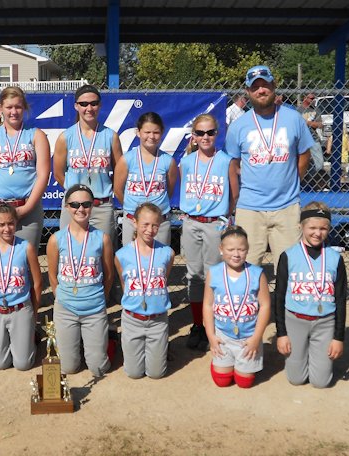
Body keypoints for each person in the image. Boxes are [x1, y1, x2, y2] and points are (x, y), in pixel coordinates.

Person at [225, 65, 315, 268]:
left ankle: (284, 302)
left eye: (265, 85)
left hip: (287, 206)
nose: (261, 91)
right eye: (255, 87)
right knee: (243, 267)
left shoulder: (293, 119)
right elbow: (232, 163)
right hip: (250, 208)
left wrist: (293, 181)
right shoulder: (239, 126)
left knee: (290, 268)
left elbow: (304, 154)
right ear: (248, 92)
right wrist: (236, 198)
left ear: (274, 86)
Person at [179, 113, 238, 350]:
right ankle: (197, 325)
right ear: (193, 136)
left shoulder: (226, 161)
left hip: (215, 223)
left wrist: (226, 217)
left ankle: (212, 324)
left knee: (213, 274)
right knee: (194, 275)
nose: (206, 137)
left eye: (210, 132)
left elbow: (234, 193)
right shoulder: (186, 162)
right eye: (200, 133)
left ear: (217, 134)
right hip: (192, 221)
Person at [274, 202, 346, 388]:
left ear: (329, 229)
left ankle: (316, 354)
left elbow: (340, 299)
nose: (317, 233)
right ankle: (302, 352)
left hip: (325, 322)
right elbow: (279, 296)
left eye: (323, 228)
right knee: (296, 379)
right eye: (312, 227)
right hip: (295, 320)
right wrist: (281, 334)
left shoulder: (335, 258)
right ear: (301, 226)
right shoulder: (288, 256)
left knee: (321, 382)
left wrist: (338, 338)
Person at [46, 184, 113, 377]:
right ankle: (81, 343)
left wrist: (100, 297)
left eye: (86, 204)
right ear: (67, 207)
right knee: (69, 368)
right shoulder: (56, 240)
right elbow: (52, 275)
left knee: (98, 368)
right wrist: (61, 298)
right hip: (66, 308)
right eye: (75, 204)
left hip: (94, 309)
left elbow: (108, 276)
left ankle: (107, 341)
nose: (80, 209)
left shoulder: (102, 239)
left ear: (92, 207)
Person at [0, 86, 50, 250]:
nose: (13, 111)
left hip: (28, 209)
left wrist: (26, 208)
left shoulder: (37, 135)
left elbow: (43, 175)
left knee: (25, 262)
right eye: (9, 107)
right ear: (1, 108)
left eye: (18, 106)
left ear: (24, 108)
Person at [203, 225, 271, 388]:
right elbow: (207, 304)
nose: (236, 254)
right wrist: (211, 336)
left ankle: (243, 364)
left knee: (244, 383)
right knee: (222, 381)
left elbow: (265, 305)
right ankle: (224, 363)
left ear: (247, 250)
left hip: (248, 336)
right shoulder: (214, 272)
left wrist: (256, 338)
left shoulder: (257, 273)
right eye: (230, 249)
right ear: (221, 249)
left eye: (241, 249)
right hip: (223, 335)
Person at [0, 202, 42, 370]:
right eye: (1, 224)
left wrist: (33, 312)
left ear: (16, 222)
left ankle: (30, 338)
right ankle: (18, 340)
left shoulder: (25, 247)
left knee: (23, 364)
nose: (7, 229)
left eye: (11, 223)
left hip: (20, 308)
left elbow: (37, 282)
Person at [53, 85, 123, 237]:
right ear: (76, 106)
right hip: (74, 207)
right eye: (83, 104)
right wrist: (76, 195)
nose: (89, 108)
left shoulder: (111, 136)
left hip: (101, 206)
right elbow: (58, 174)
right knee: (71, 252)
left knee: (103, 255)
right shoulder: (66, 137)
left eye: (94, 103)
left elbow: (120, 172)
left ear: (100, 105)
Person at [114, 203, 174, 379]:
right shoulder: (122, 255)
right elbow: (124, 284)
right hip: (133, 320)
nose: (150, 229)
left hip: (158, 321)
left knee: (156, 373)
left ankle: (160, 347)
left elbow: (163, 280)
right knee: (134, 373)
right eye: (145, 224)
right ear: (135, 223)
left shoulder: (167, 253)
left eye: (155, 225)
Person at [114, 112, 177, 246]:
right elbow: (118, 190)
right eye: (147, 132)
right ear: (138, 132)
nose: (151, 136)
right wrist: (133, 208)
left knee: (159, 262)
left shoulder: (168, 161)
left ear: (162, 133)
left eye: (156, 132)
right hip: (133, 221)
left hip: (159, 223)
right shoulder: (127, 159)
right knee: (131, 262)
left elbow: (169, 190)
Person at [298, 93, 325, 189]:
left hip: (313, 138)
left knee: (319, 164)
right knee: (301, 163)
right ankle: (304, 184)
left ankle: (313, 183)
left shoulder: (315, 110)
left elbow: (320, 124)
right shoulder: (298, 110)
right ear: (305, 98)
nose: (313, 100)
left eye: (314, 98)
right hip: (300, 140)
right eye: (311, 98)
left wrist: (308, 123)